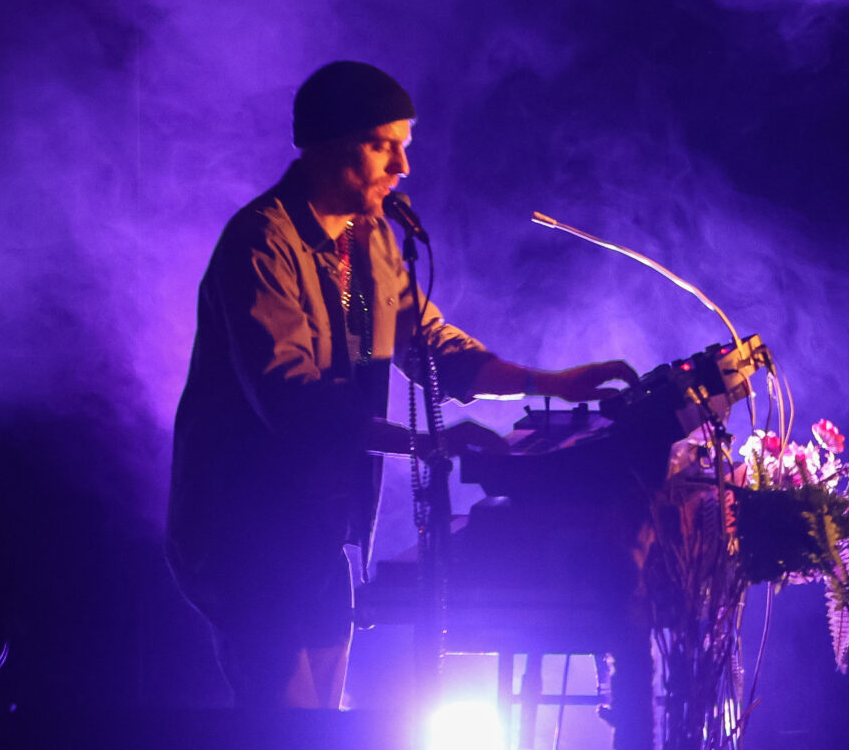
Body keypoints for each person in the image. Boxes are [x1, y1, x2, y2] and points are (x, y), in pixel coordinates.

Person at [167, 60, 638, 706]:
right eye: (382, 145)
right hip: (244, 533)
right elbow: (294, 401)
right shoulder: (260, 245)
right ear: (327, 143)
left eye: (404, 146)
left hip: (316, 529)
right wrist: (427, 442)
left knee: (322, 734)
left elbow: (429, 346)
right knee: (287, 736)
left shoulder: (368, 240)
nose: (402, 166)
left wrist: (551, 383)